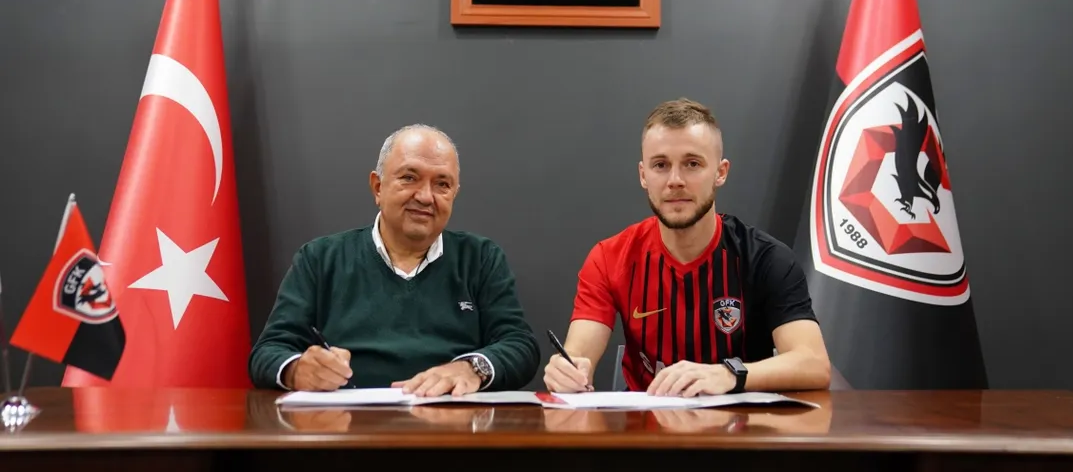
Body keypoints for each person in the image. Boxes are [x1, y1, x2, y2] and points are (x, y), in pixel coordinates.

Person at [543, 99, 832, 396]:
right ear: (643, 175)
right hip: (644, 422)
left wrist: (728, 374)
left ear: (721, 172)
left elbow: (813, 364)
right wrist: (568, 372)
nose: (675, 181)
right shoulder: (610, 257)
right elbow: (578, 356)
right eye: (660, 165)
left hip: (742, 422)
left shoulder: (766, 258)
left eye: (692, 164)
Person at [249, 124, 540, 395]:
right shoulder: (320, 259)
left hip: (453, 424)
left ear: (454, 194)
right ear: (378, 187)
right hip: (347, 425)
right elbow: (268, 351)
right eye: (409, 178)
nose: (425, 197)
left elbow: (520, 345)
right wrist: (297, 370)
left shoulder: (480, 258)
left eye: (442, 184)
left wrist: (471, 368)